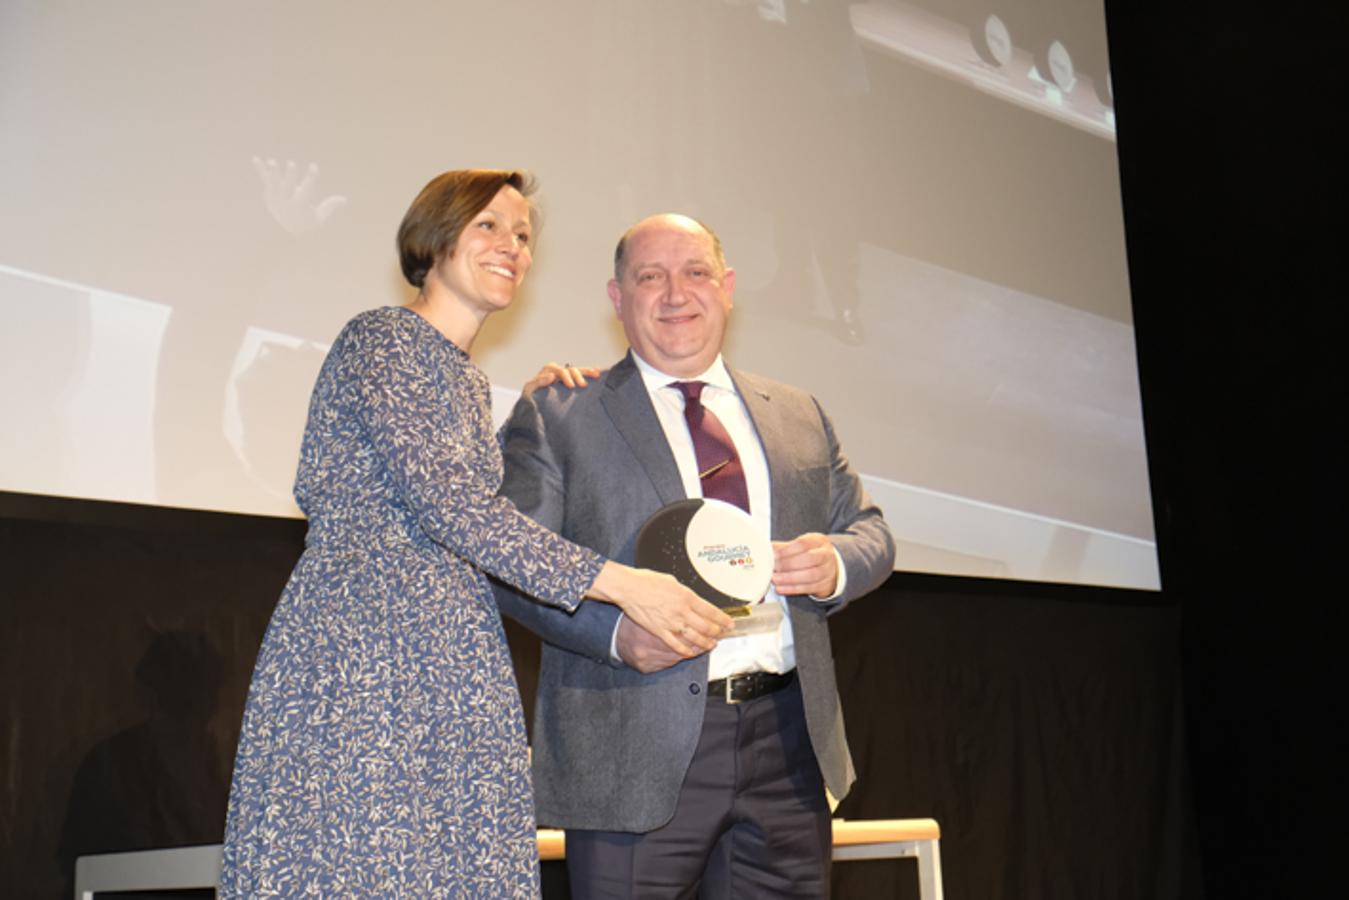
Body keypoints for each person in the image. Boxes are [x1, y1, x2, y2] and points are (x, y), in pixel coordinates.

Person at [219, 173, 732, 898]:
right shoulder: (383, 339)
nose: (512, 246)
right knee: (362, 861)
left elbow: (453, 496)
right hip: (368, 647)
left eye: (522, 235)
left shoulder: (464, 379)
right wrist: (621, 584)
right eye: (488, 225)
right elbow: (448, 506)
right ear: (434, 237)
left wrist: (528, 411)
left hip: (453, 656)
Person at [494, 213, 896, 898]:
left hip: (788, 745)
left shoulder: (797, 413)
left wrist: (834, 564)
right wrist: (616, 635)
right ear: (617, 298)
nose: (676, 293)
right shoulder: (561, 414)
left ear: (727, 288)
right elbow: (513, 565)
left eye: (696, 273)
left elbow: (870, 533)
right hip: (632, 747)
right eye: (650, 277)